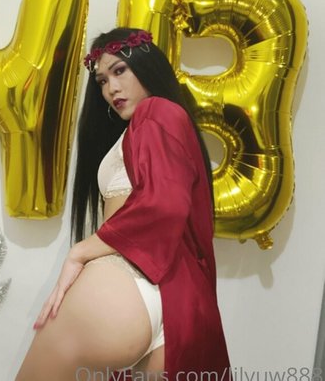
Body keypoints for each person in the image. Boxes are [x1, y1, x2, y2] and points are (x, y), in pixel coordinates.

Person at [15, 27, 230, 381]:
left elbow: (164, 205)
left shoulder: (156, 112)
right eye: (102, 81)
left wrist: (80, 252)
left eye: (119, 71)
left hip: (126, 281)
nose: (111, 89)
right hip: (172, 304)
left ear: (147, 66)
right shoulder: (154, 126)